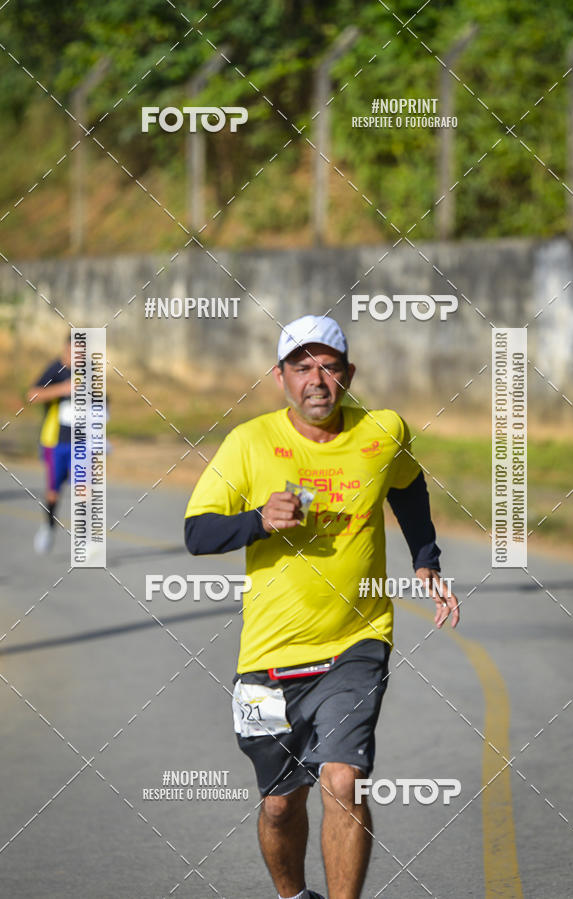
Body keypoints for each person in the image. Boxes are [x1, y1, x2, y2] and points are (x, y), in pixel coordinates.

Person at [184, 314, 459, 899]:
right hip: (265, 658)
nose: (317, 380)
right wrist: (257, 521)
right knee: (281, 805)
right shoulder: (249, 442)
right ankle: (292, 896)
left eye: (329, 367)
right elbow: (197, 533)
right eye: (302, 367)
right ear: (280, 376)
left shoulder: (384, 431)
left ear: (348, 374)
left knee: (344, 780)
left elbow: (407, 486)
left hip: (356, 642)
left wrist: (426, 559)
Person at [28, 335, 72, 554]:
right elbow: (32, 395)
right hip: (54, 440)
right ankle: (48, 525)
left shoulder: (89, 371)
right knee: (54, 491)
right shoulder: (54, 369)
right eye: (72, 351)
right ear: (66, 348)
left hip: (80, 442)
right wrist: (62, 389)